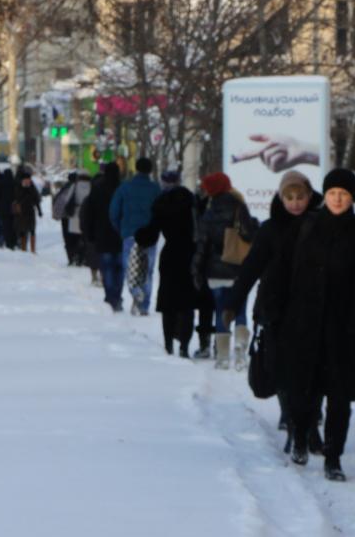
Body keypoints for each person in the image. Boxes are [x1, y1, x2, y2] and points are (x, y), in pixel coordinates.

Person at [271, 167, 355, 482]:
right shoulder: (307, 226)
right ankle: (301, 437)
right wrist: (277, 311)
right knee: (302, 389)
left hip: (343, 329)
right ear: (325, 195)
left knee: (340, 396)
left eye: (344, 194)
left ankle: (333, 456)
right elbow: (281, 270)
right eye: (332, 193)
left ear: (352, 198)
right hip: (303, 324)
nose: (337, 199)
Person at [231, 170, 321, 452]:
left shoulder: (319, 225)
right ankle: (294, 425)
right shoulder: (270, 229)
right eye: (289, 197)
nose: (295, 203)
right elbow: (252, 266)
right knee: (284, 369)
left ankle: (311, 425)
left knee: (314, 371)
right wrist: (235, 299)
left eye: (300, 197)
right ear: (280, 198)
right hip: (276, 310)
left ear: (309, 197)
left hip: (312, 309)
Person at [192, 172, 259, 368]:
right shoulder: (239, 207)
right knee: (240, 310)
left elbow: (201, 245)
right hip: (239, 268)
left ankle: (222, 356)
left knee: (221, 310)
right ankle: (240, 347)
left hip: (215, 271)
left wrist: (196, 269)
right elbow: (249, 234)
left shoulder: (209, 213)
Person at [136, 169, 199, 356]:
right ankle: (185, 346)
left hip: (170, 256)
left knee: (169, 303)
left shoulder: (161, 204)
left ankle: (168, 343)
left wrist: (139, 235)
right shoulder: (191, 202)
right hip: (190, 255)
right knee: (187, 303)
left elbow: (150, 234)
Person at [109, 157, 162, 315]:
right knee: (148, 271)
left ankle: (135, 292)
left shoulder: (125, 188)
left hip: (130, 234)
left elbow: (113, 211)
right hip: (150, 236)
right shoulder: (155, 189)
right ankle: (144, 305)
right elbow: (161, 212)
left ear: (136, 169)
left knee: (130, 269)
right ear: (150, 170)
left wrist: (120, 229)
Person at [80, 162, 125, 311]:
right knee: (119, 267)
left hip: (102, 234)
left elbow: (89, 212)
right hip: (120, 235)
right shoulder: (123, 188)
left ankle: (110, 295)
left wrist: (89, 233)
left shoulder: (97, 189)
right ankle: (117, 295)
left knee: (107, 268)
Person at [51, 171, 87, 267]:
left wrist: (57, 215)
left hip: (68, 216)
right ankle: (81, 258)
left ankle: (72, 258)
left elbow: (60, 202)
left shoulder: (66, 188)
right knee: (80, 238)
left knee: (68, 239)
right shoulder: (85, 187)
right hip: (81, 217)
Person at [12, 171, 42, 253]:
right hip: (21, 212)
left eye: (28, 180)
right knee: (22, 230)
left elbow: (36, 199)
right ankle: (23, 248)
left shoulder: (32, 187)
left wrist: (39, 210)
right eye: (25, 180)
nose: (27, 182)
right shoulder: (18, 187)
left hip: (30, 212)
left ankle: (33, 249)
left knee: (32, 230)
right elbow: (16, 198)